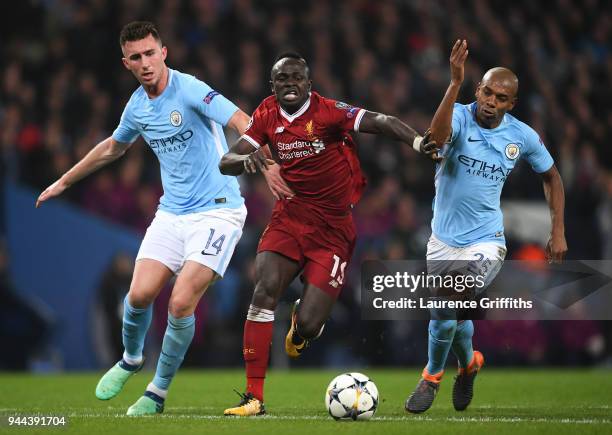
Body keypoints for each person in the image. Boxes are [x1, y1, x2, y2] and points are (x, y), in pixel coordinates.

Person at [35, 21, 290, 416]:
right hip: (171, 213)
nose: (145, 62)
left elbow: (240, 118)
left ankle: (156, 392)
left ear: (164, 52)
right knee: (137, 297)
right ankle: (131, 360)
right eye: (136, 57)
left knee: (180, 303)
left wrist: (266, 161)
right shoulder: (137, 107)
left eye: (150, 53)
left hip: (218, 211)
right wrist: (64, 181)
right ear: (127, 64)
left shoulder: (189, 89)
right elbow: (111, 149)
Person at [219, 52, 439, 416]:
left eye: (296, 78)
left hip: (334, 229)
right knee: (264, 289)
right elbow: (226, 161)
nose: (289, 84)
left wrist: (417, 143)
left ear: (309, 83)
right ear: (272, 86)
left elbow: (382, 121)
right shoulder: (266, 114)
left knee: (307, 324)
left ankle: (301, 329)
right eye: (282, 79)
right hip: (290, 217)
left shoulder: (328, 112)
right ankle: (253, 397)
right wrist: (249, 160)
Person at [405, 40, 567, 414]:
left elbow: (552, 177)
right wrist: (454, 83)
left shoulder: (521, 136)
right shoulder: (459, 116)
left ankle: (431, 376)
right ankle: (469, 364)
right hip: (442, 240)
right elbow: (436, 137)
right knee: (450, 317)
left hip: (487, 240)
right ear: (477, 90)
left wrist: (557, 229)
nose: (491, 101)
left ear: (511, 104)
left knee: (449, 300)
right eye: (487, 92)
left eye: (501, 97)